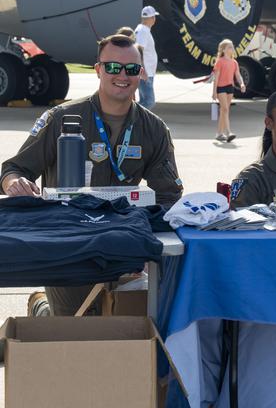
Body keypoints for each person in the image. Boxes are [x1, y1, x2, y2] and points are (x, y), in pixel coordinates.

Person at [1, 33, 183, 315]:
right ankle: (44, 308)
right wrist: (15, 183)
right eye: (112, 67)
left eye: (131, 69)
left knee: (130, 319)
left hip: (121, 241)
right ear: (98, 70)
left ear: (141, 73)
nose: (122, 75)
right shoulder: (61, 118)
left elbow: (169, 196)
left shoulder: (154, 129)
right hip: (68, 241)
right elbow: (14, 169)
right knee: (74, 324)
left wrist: (149, 246)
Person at [212, 39, 246, 143]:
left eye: (232, 46)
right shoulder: (219, 62)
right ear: (224, 50)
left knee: (224, 110)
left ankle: (219, 133)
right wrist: (214, 92)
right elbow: (216, 78)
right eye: (229, 47)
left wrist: (242, 83)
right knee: (225, 109)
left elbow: (237, 74)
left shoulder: (234, 62)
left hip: (229, 87)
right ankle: (228, 132)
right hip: (221, 88)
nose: (232, 48)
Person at [134, 6, 159, 110]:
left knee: (144, 101)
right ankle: (130, 119)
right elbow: (139, 51)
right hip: (145, 72)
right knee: (149, 101)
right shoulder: (143, 31)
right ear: (152, 18)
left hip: (147, 72)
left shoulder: (143, 30)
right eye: (154, 17)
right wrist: (142, 71)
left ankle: (136, 123)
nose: (154, 19)